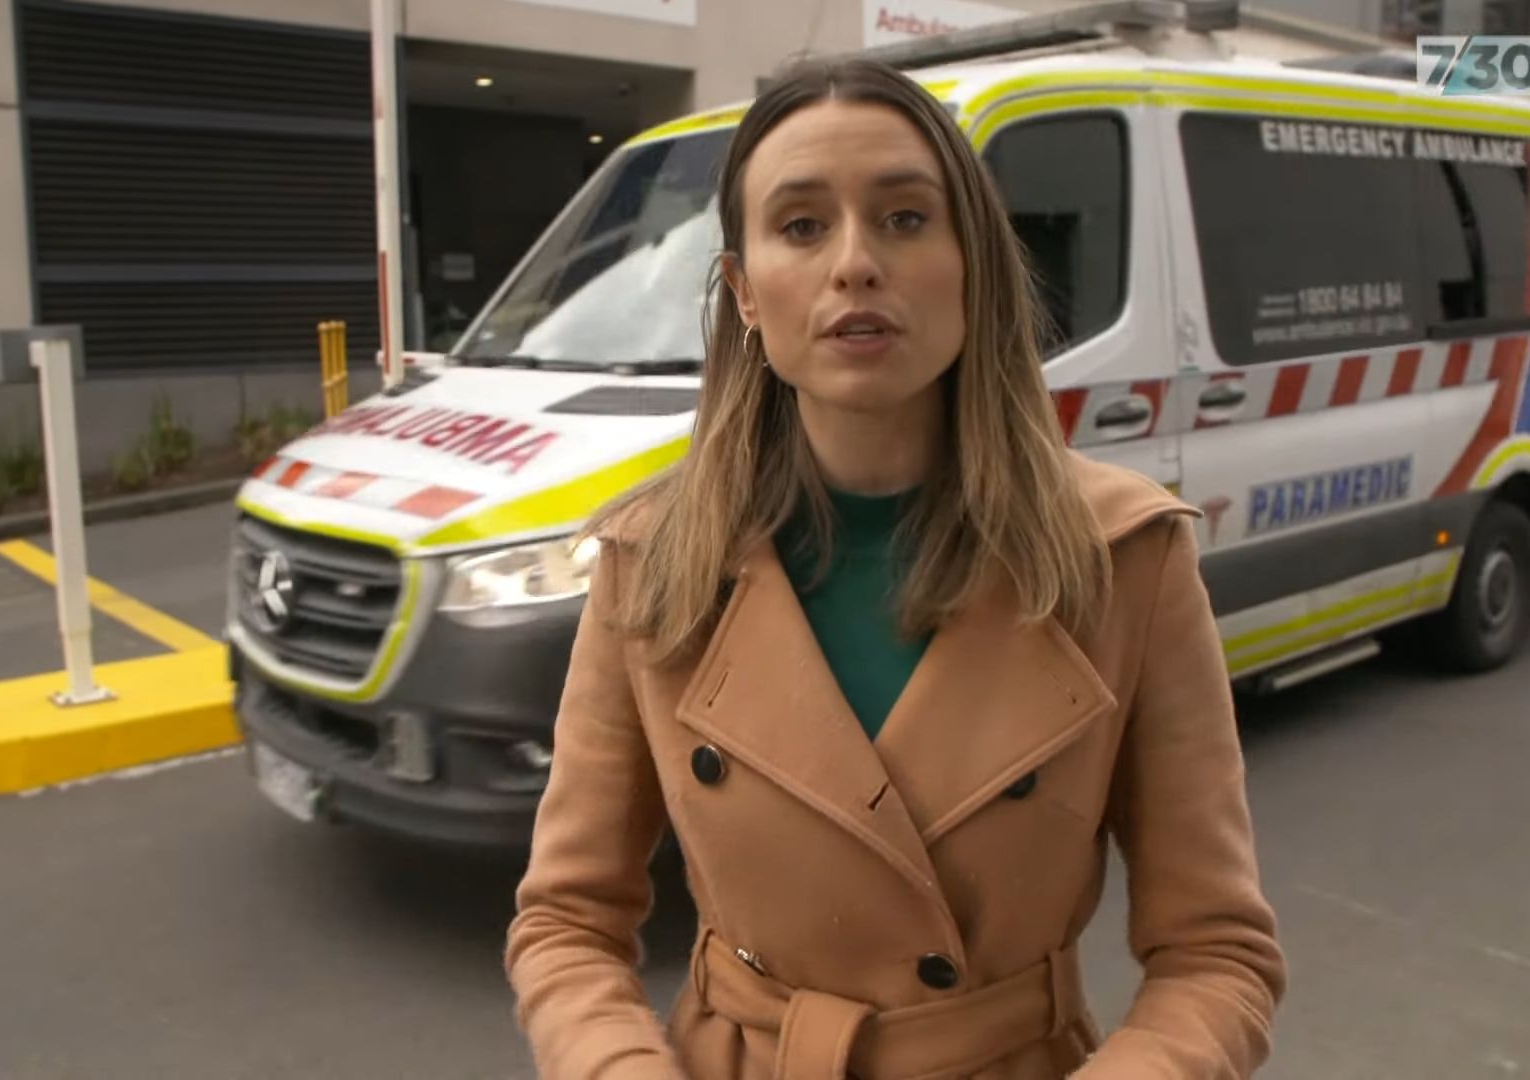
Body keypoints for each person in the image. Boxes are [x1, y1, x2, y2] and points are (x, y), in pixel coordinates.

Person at [504, 57, 1286, 1080]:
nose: (855, 264)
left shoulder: (1125, 559)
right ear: (744, 292)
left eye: (905, 218)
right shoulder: (652, 562)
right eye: (801, 226)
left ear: (972, 264)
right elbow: (565, 925)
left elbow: (1216, 954)